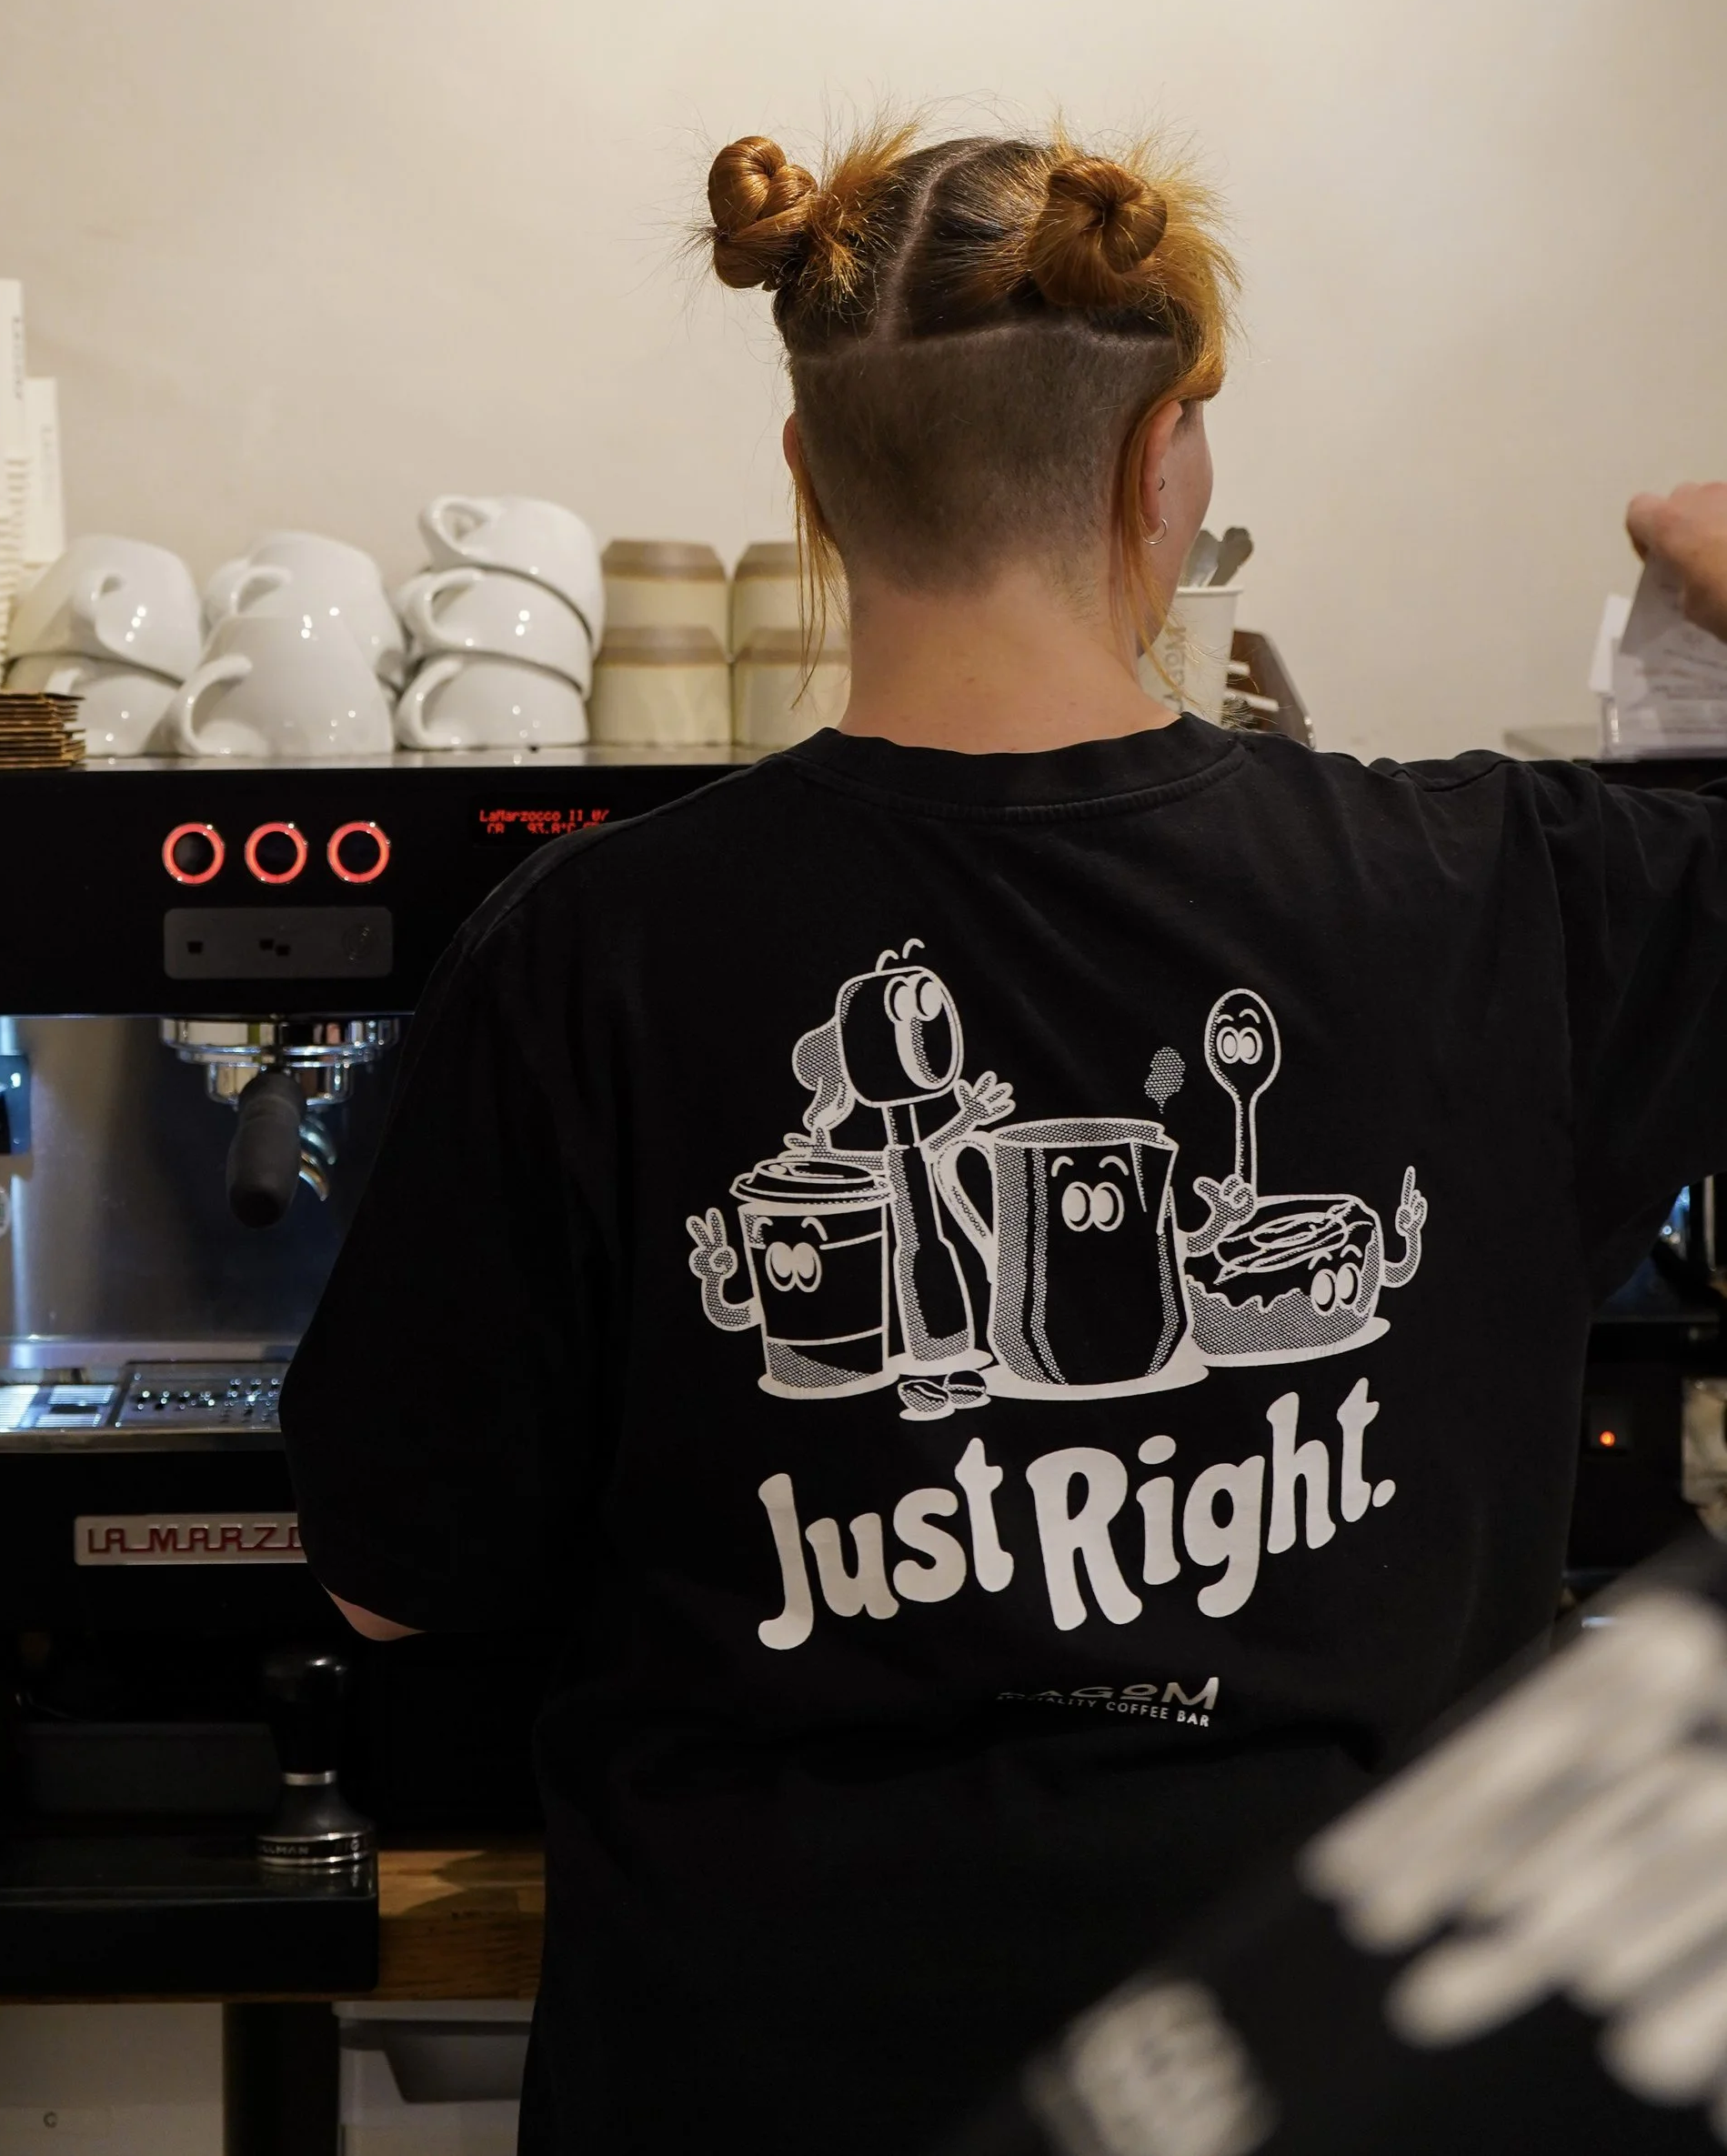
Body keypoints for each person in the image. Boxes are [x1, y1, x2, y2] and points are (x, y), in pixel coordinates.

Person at [281, 122, 1727, 2156]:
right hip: (1326, 2077)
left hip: (755, 2086)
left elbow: (385, 1586)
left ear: (805, 490)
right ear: (1162, 472)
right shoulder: (1497, 895)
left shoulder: (584, 951)